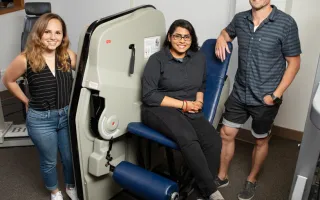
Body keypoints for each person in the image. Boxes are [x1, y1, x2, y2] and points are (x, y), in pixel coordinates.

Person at [214, 1, 301, 199]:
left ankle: (251, 179)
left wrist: (275, 95)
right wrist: (221, 37)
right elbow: (227, 33)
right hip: (240, 91)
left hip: (266, 97)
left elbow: (294, 63)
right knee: (226, 133)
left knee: (260, 140)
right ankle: (222, 176)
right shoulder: (240, 19)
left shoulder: (286, 23)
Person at [141, 19, 224, 200]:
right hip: (159, 108)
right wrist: (185, 105)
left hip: (190, 109)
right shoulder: (157, 60)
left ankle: (198, 189)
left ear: (191, 39)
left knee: (213, 141)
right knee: (187, 137)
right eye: (177, 35)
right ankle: (211, 191)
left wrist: (199, 101)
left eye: (186, 36)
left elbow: (201, 84)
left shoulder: (198, 58)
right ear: (170, 37)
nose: (182, 40)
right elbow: (149, 96)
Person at [2, 13, 78, 200]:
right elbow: (8, 80)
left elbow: (87, 74)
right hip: (41, 120)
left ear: (63, 36)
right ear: (39, 34)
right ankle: (54, 191)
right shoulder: (25, 58)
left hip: (67, 115)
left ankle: (70, 185)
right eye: (48, 32)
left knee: (69, 158)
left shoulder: (68, 56)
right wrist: (26, 100)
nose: (53, 37)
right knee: (49, 161)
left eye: (58, 32)